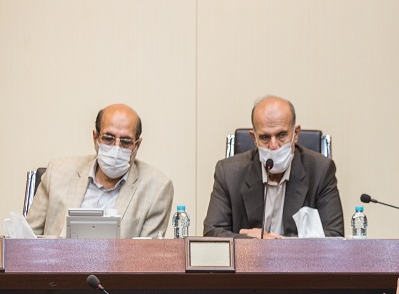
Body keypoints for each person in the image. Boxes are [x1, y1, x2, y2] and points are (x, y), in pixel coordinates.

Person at [203, 95, 344, 238]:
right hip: (248, 253)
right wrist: (251, 241)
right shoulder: (228, 173)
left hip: (296, 254)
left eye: (281, 135)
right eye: (265, 137)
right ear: (254, 138)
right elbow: (212, 234)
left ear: (295, 134)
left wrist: (278, 244)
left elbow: (334, 236)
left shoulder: (320, 171)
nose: (273, 146)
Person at [26, 104, 174, 238]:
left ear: (137, 145)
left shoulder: (157, 188)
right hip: (56, 259)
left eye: (125, 141)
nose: (116, 148)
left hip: (118, 260)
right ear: (95, 138)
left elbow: (148, 254)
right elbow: (25, 239)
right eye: (108, 138)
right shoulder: (57, 172)